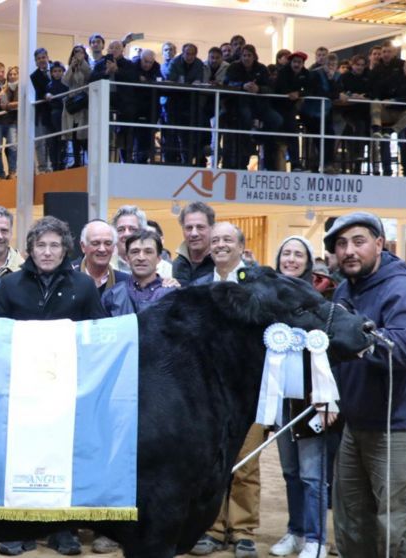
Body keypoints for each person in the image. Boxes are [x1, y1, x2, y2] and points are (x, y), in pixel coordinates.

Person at [323, 211, 406, 557]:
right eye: (341, 244)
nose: (349, 250)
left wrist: (352, 337)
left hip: (401, 425)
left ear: (379, 244)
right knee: (350, 522)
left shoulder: (400, 286)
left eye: (358, 242)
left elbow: (403, 348)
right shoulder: (345, 289)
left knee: (397, 528)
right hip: (357, 422)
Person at [0, 216, 105, 556]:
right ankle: (18, 528)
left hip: (67, 390)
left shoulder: (83, 286)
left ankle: (62, 530)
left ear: (65, 249)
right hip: (20, 390)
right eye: (41, 245)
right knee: (19, 458)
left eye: (54, 245)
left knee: (64, 458)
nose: (47, 251)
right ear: (30, 249)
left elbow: (98, 334)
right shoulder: (9, 285)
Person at [189, 222, 264, 558]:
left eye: (227, 240)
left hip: (248, 392)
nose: (220, 245)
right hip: (209, 393)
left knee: (245, 464)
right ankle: (213, 528)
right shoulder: (200, 286)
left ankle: (244, 531)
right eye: (215, 239)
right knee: (211, 463)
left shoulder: (259, 285)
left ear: (241, 246)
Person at [268, 236, 339, 558]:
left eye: (298, 255)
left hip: (312, 400)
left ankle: (317, 539)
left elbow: (329, 356)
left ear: (308, 261)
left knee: (313, 474)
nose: (291, 259)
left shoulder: (319, 300)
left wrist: (327, 400)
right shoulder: (268, 298)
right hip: (281, 396)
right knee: (290, 471)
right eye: (286, 253)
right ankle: (295, 532)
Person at [223, 45, 283, 171]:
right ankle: (247, 148)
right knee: (245, 117)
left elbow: (269, 87)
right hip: (239, 104)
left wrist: (258, 89)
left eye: (249, 55)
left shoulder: (262, 68)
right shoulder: (233, 67)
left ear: (254, 56)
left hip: (260, 105)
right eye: (244, 55)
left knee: (277, 119)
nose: (247, 58)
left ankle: (260, 136)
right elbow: (227, 84)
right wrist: (242, 86)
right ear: (240, 57)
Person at [101, 229, 175, 316]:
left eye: (148, 252)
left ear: (158, 258)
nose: (141, 258)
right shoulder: (112, 295)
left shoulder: (173, 295)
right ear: (127, 258)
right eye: (135, 252)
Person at [273, 51, 311, 171]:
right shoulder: (283, 72)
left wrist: (298, 94)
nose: (296, 64)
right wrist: (290, 93)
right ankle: (281, 164)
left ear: (303, 63)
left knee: (292, 132)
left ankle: (295, 163)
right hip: (278, 106)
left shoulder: (306, 74)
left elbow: (311, 89)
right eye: (294, 62)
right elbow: (280, 88)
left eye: (299, 62)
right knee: (286, 133)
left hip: (292, 108)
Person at [73, 220, 128, 295]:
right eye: (95, 243)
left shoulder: (125, 282)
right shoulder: (68, 280)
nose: (102, 249)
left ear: (114, 247)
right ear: (83, 246)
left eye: (108, 243)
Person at [172, 201, 215, 286]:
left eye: (200, 227)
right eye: (189, 228)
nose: (194, 233)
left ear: (212, 228)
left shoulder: (220, 262)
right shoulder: (177, 264)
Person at [62, 45, 91, 168]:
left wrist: (82, 61)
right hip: (73, 103)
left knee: (84, 135)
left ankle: (90, 160)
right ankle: (77, 162)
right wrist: (72, 68)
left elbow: (90, 76)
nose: (77, 54)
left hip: (83, 103)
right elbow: (65, 81)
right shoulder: (71, 67)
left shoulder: (88, 65)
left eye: (80, 52)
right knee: (73, 134)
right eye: (75, 52)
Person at [31, 47, 53, 174]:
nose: (41, 60)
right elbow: (37, 92)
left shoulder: (57, 68)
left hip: (57, 111)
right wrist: (45, 96)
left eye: (43, 57)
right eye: (38, 59)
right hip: (42, 112)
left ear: (47, 57)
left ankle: (55, 165)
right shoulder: (33, 76)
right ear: (35, 61)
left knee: (54, 140)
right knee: (41, 142)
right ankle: (43, 168)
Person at [45, 61, 70, 171]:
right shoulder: (49, 86)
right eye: (54, 71)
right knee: (52, 142)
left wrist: (56, 98)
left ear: (63, 72)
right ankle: (54, 164)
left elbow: (66, 98)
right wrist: (47, 96)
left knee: (62, 140)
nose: (57, 73)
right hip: (52, 117)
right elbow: (48, 101)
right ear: (51, 73)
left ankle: (62, 163)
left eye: (59, 71)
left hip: (63, 114)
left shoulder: (66, 84)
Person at [111, 205, 148, 274]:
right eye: (121, 229)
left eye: (132, 229)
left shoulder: (162, 268)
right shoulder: (106, 267)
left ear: (143, 232)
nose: (126, 234)